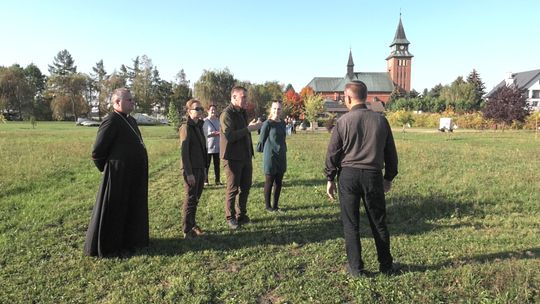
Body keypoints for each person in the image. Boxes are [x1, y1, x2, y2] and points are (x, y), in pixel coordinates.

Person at [324, 81, 400, 276]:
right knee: (378, 222)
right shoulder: (381, 120)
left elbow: (333, 153)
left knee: (351, 224)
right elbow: (390, 153)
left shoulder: (343, 122)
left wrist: (330, 177)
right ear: (366, 97)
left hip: (348, 176)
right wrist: (389, 177)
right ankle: (386, 266)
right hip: (372, 175)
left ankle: (356, 268)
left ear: (348, 98)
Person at [84, 88, 149, 257]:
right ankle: (112, 246)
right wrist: (110, 169)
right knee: (116, 211)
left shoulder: (131, 120)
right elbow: (97, 151)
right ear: (117, 102)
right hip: (118, 175)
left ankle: (130, 241)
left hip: (133, 175)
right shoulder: (111, 121)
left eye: (132, 99)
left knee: (131, 208)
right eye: (129, 100)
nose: (132, 102)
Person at [220, 85, 262, 229]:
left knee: (246, 187)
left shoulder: (242, 112)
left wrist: (249, 127)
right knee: (233, 189)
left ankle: (241, 215)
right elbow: (230, 136)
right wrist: (248, 129)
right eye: (243, 97)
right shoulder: (227, 114)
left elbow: (244, 131)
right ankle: (230, 217)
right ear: (234, 97)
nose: (246, 100)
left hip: (245, 156)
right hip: (232, 158)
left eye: (246, 97)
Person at [179, 99, 207, 238]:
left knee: (196, 198)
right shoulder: (186, 127)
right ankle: (187, 229)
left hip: (200, 168)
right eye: (197, 109)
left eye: (201, 108)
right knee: (190, 199)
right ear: (189, 111)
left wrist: (204, 169)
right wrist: (189, 173)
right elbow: (184, 152)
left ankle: (192, 224)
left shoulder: (199, 126)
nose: (200, 110)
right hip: (191, 169)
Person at [256, 101, 287, 212]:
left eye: (279, 109)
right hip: (270, 156)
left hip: (281, 155)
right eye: (274, 108)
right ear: (271, 109)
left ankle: (275, 205)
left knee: (279, 182)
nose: (276, 111)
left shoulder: (283, 123)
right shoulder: (267, 124)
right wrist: (262, 151)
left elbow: (283, 139)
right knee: (269, 181)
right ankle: (268, 206)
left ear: (281, 110)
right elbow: (261, 140)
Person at [202, 104, 221, 186]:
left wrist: (220, 133)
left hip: (217, 147)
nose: (213, 111)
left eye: (214, 110)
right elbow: (202, 134)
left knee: (217, 165)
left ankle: (217, 180)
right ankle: (205, 181)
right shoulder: (204, 121)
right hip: (208, 147)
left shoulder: (218, 121)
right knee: (207, 165)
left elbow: (221, 130)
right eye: (212, 110)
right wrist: (211, 134)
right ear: (208, 111)